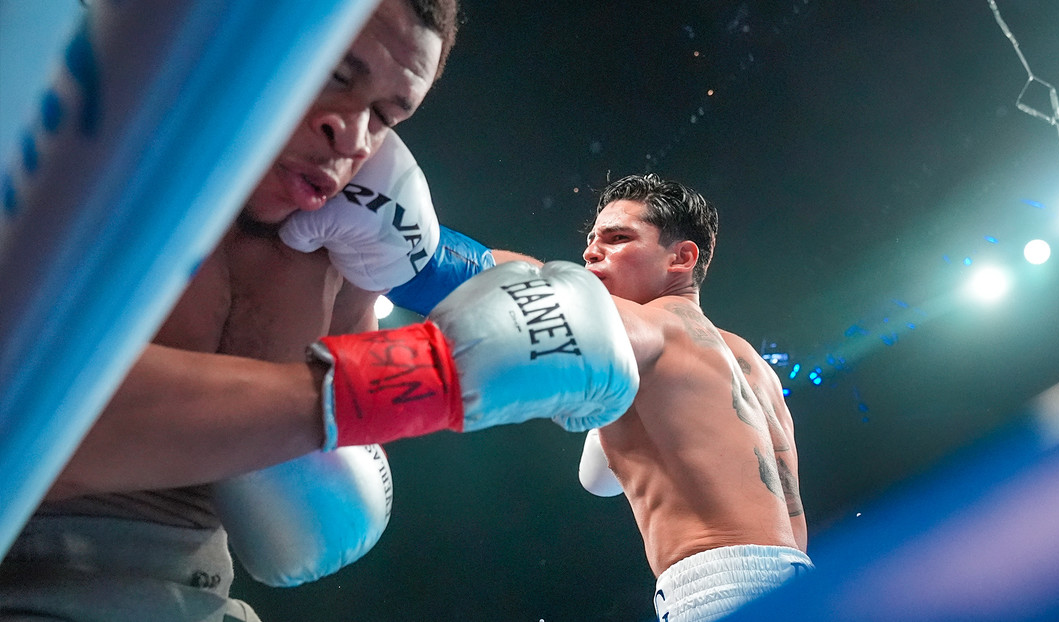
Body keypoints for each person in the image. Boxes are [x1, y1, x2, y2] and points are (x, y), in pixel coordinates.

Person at [0, 1, 639, 620]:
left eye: (387, 115)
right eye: (335, 72)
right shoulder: (77, 138)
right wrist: (419, 378)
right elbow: (27, 414)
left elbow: (500, 281)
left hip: (198, 589)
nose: (352, 134)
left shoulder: (351, 223)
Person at [574, 174, 812, 622]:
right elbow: (600, 477)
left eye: (618, 237)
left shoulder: (648, 326)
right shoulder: (753, 364)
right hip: (802, 586)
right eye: (591, 240)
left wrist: (432, 260)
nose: (590, 252)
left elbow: (551, 302)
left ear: (681, 257)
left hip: (720, 586)